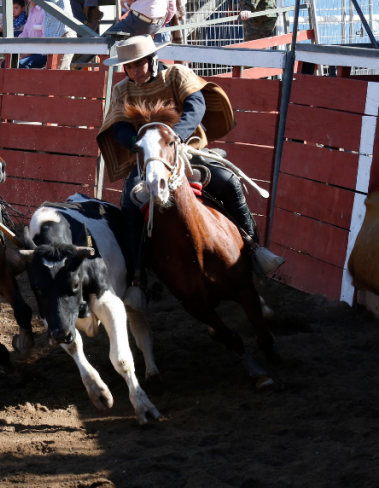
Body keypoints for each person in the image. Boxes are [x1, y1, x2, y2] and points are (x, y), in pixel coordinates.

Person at [97, 35, 285, 307]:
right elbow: (120, 126)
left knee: (227, 181)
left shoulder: (177, 74)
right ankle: (137, 276)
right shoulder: (122, 90)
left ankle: (254, 249)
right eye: (129, 67)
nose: (135, 71)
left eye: (139, 64)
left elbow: (196, 105)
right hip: (150, 159)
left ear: (151, 60)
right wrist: (140, 144)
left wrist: (176, 137)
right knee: (129, 204)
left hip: (187, 149)